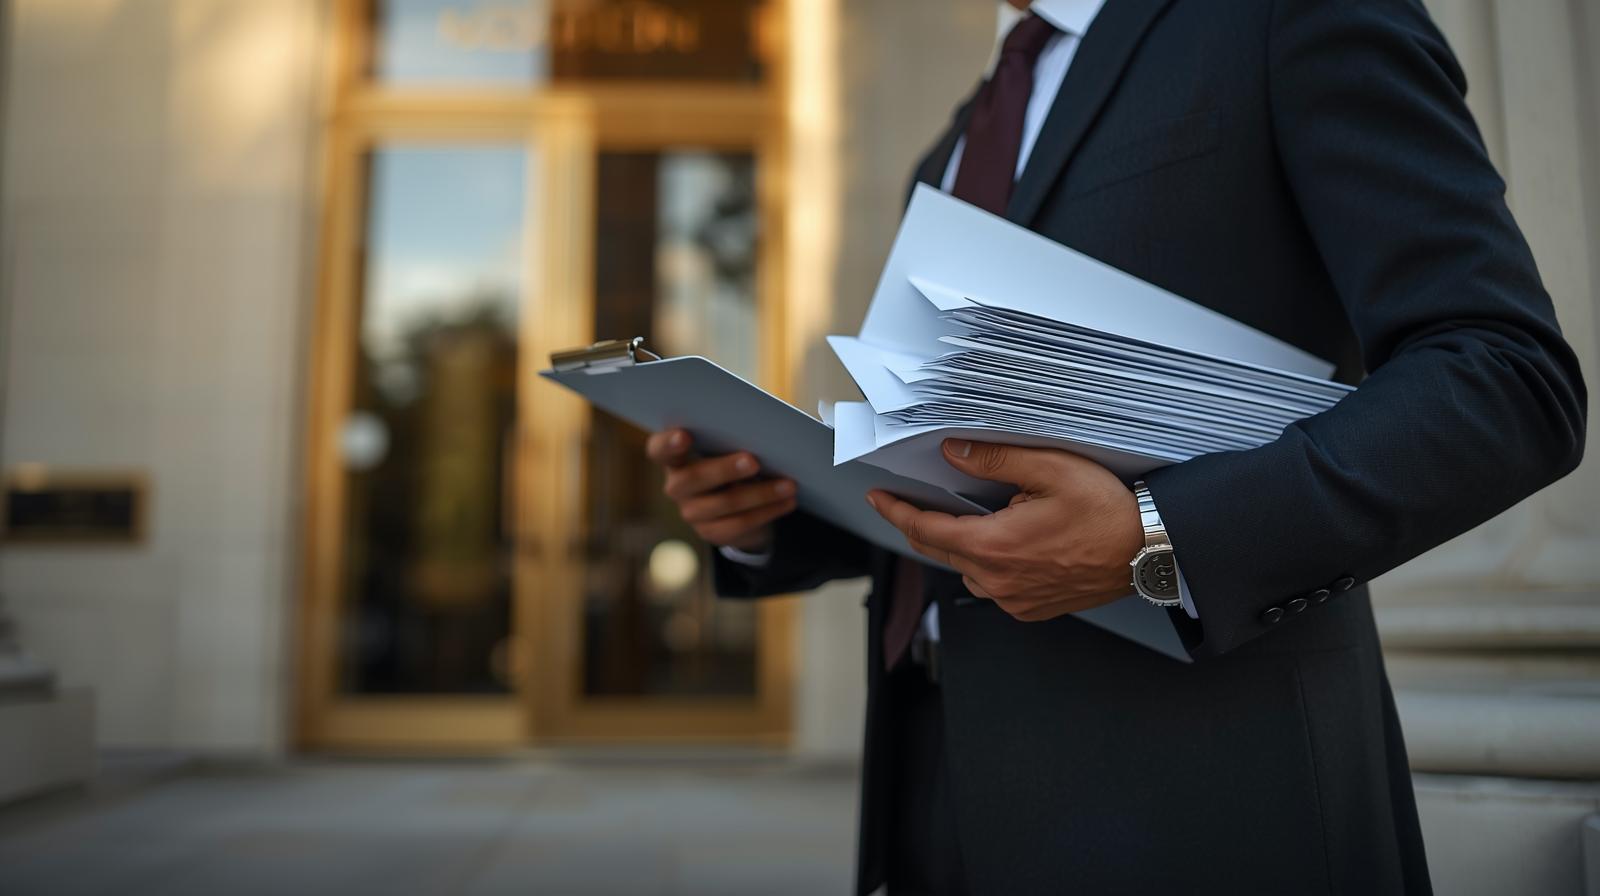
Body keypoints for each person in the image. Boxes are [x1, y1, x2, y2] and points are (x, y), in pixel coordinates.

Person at [645, 0, 1587, 892]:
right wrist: (767, 516)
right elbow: (959, 468)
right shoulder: (951, 147)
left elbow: (1505, 378)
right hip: (937, 793)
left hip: (1205, 798)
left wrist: (1160, 536)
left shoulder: (1290, 15)